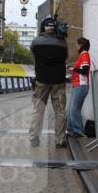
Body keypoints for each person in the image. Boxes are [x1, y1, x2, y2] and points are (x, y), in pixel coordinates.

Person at [29, 16, 68, 148]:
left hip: (41, 80)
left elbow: (33, 52)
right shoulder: (63, 43)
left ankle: (34, 137)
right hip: (59, 80)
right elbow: (66, 56)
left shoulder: (36, 42)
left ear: (42, 28)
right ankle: (60, 139)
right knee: (60, 110)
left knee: (38, 109)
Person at [67, 37, 92, 138]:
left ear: (81, 45)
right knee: (71, 110)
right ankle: (71, 131)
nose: (76, 47)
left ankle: (78, 131)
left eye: (77, 45)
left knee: (74, 109)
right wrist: (73, 68)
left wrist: (72, 68)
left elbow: (85, 71)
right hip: (78, 85)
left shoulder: (85, 55)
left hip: (81, 85)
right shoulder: (83, 55)